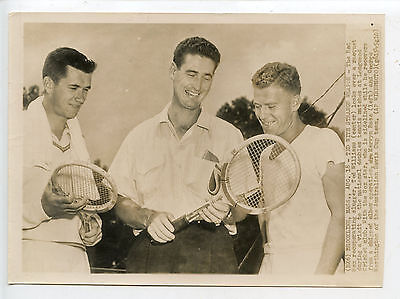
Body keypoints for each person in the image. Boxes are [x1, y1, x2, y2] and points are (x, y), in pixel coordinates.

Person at [108, 37, 245, 273]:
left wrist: (229, 213)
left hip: (213, 253)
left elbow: (243, 205)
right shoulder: (139, 136)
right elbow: (119, 199)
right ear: (173, 70)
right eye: (191, 74)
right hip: (152, 253)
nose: (198, 85)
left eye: (207, 76)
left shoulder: (229, 135)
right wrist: (147, 216)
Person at [252, 62, 345, 275]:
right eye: (257, 106)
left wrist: (321, 279)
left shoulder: (324, 140)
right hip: (272, 267)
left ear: (295, 102)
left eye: (271, 106)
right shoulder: (266, 156)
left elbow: (342, 215)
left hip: (315, 266)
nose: (263, 115)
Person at [23, 47, 102, 272]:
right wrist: (43, 208)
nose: (81, 97)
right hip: (29, 257)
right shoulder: (14, 132)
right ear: (48, 84)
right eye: (74, 88)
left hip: (77, 261)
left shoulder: (78, 140)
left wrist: (94, 226)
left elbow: (88, 208)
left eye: (86, 89)